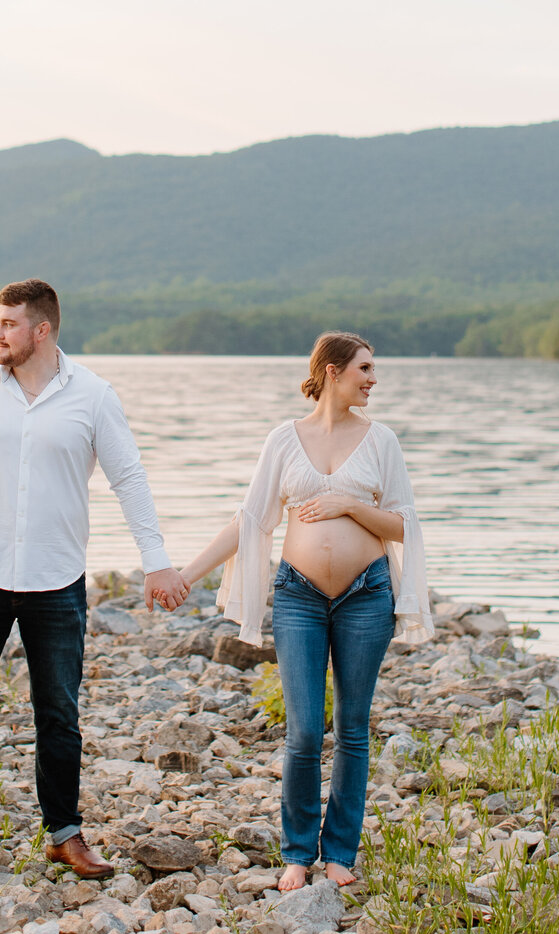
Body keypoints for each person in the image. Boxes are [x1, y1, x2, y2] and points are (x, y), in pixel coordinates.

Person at [0, 277, 188, 876]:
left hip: (57, 582)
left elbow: (129, 479)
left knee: (58, 715)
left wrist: (156, 560)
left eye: (8, 323)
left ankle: (64, 835)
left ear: (41, 330)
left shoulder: (93, 396)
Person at [178, 333, 432, 891]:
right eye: (365, 369)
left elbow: (404, 527)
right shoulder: (283, 441)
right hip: (298, 596)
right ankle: (297, 851)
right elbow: (250, 522)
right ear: (334, 371)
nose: (373, 379)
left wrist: (349, 504)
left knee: (353, 729)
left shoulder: (382, 440)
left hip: (367, 595)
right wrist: (186, 575)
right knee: (302, 732)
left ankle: (339, 852)